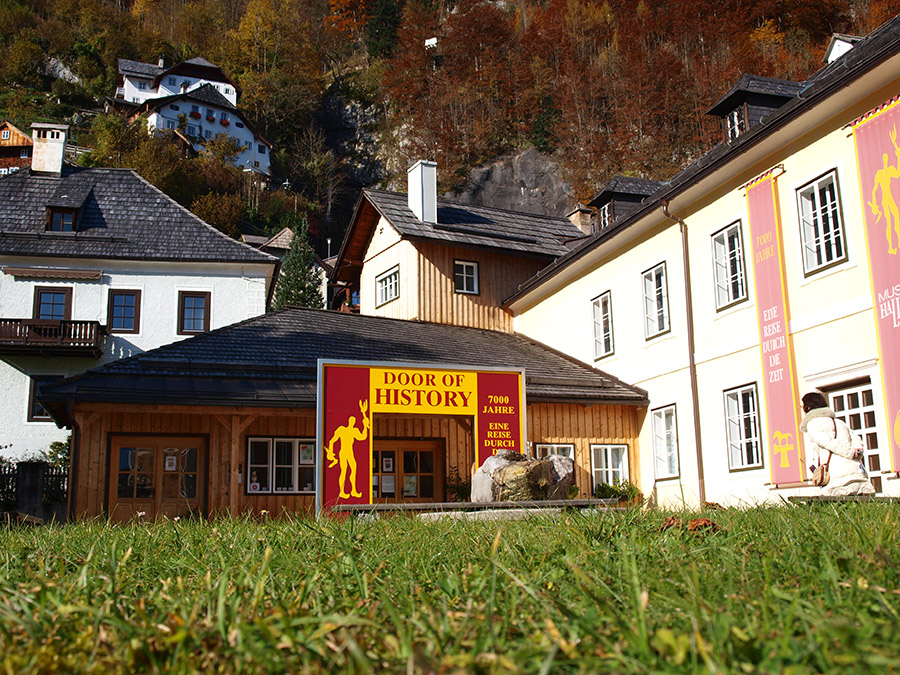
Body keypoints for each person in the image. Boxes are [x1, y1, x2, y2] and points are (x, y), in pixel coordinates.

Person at [801, 392, 875, 496]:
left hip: (837, 475)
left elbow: (827, 442)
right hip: (857, 472)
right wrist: (856, 453)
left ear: (808, 407)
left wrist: (849, 452)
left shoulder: (812, 424)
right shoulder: (839, 422)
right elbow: (856, 439)